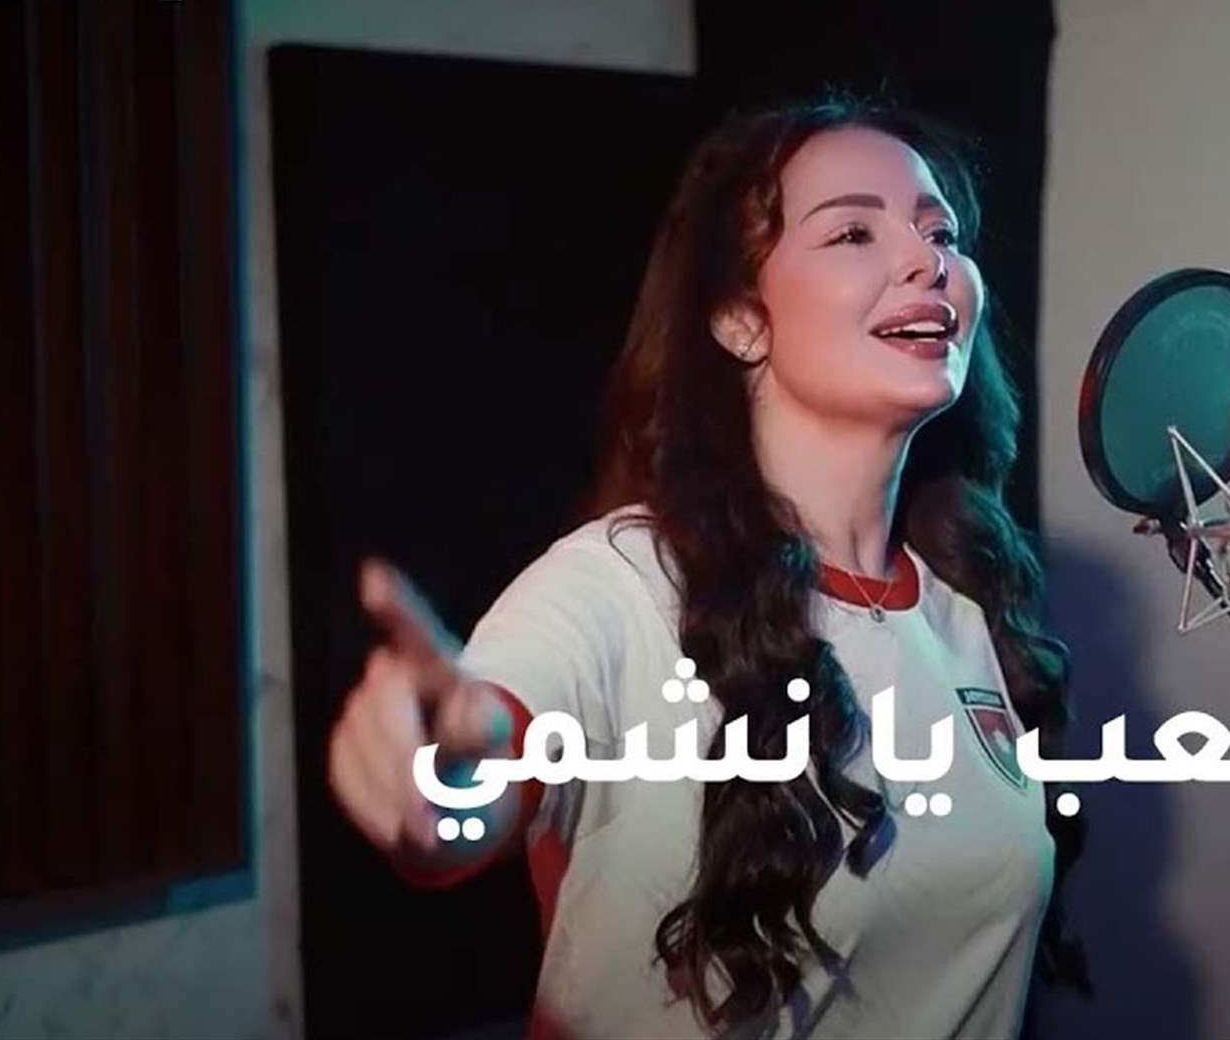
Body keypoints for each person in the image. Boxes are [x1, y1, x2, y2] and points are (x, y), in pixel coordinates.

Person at [327, 96, 1089, 1039]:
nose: (927, 261)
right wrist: (442, 788)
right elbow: (472, 788)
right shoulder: (621, 582)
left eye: (943, 234)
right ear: (738, 319)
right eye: (854, 231)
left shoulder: (966, 618)